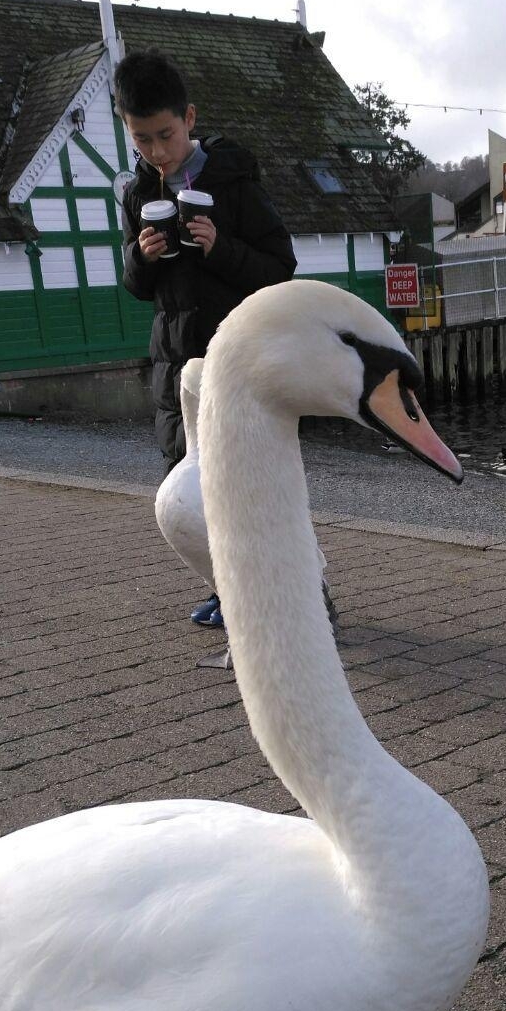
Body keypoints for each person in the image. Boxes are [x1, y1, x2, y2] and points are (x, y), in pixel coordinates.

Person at [116, 50, 297, 628]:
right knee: (192, 489)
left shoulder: (233, 180)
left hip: (234, 363)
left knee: (247, 488)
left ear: (189, 119)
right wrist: (140, 259)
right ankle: (227, 589)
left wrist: (220, 248)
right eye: (142, 140)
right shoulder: (138, 193)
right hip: (174, 368)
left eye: (165, 135)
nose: (157, 152)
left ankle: (294, 592)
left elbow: (280, 267)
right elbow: (137, 289)